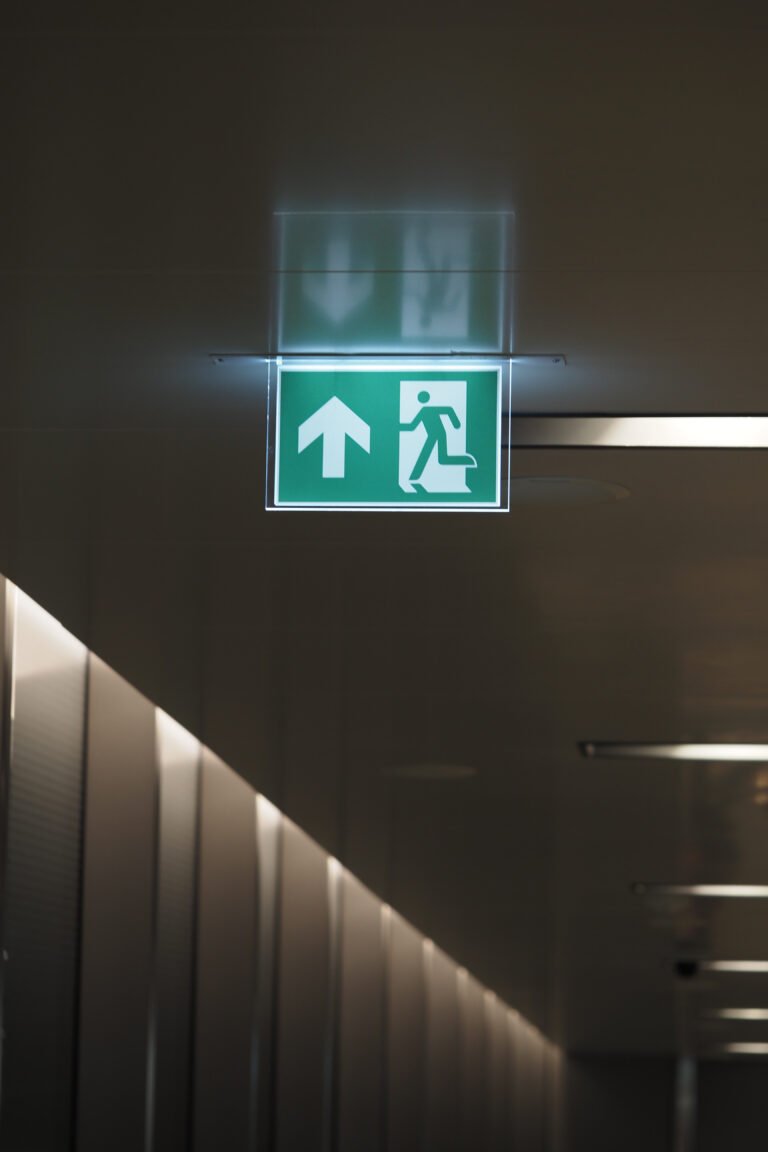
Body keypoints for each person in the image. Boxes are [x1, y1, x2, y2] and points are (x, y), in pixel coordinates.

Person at [401, 390, 477, 483]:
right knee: (443, 458)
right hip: (434, 435)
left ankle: (414, 476)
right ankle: (466, 460)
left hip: (439, 434)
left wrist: (456, 423)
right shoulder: (423, 411)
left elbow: (448, 410)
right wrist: (398, 426)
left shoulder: (427, 410)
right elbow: (412, 426)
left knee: (438, 457)